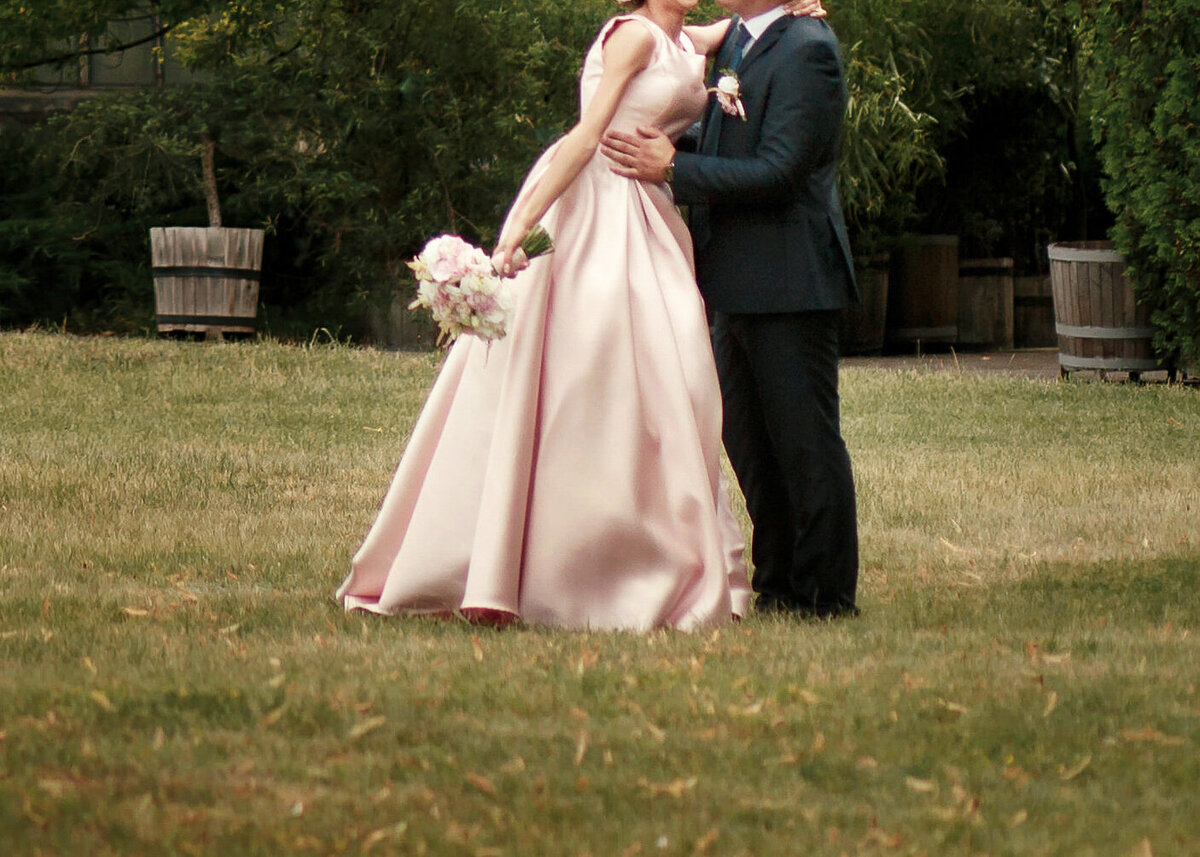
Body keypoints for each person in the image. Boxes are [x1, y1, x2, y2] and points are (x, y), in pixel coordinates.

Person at [337, 0, 825, 631]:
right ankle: (574, 564)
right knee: (595, 371)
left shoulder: (688, 36)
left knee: (685, 387)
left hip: (651, 215)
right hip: (597, 205)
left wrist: (796, 5)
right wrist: (513, 233)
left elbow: (742, 30)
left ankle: (663, 547)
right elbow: (583, 137)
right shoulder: (631, 36)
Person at [601, 0, 861, 618]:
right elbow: (726, 133)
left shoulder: (808, 50)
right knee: (748, 442)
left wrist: (676, 168)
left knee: (803, 443)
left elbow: (781, 171)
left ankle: (826, 597)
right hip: (731, 278)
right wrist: (663, 138)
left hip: (790, 280)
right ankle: (778, 586)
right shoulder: (742, 39)